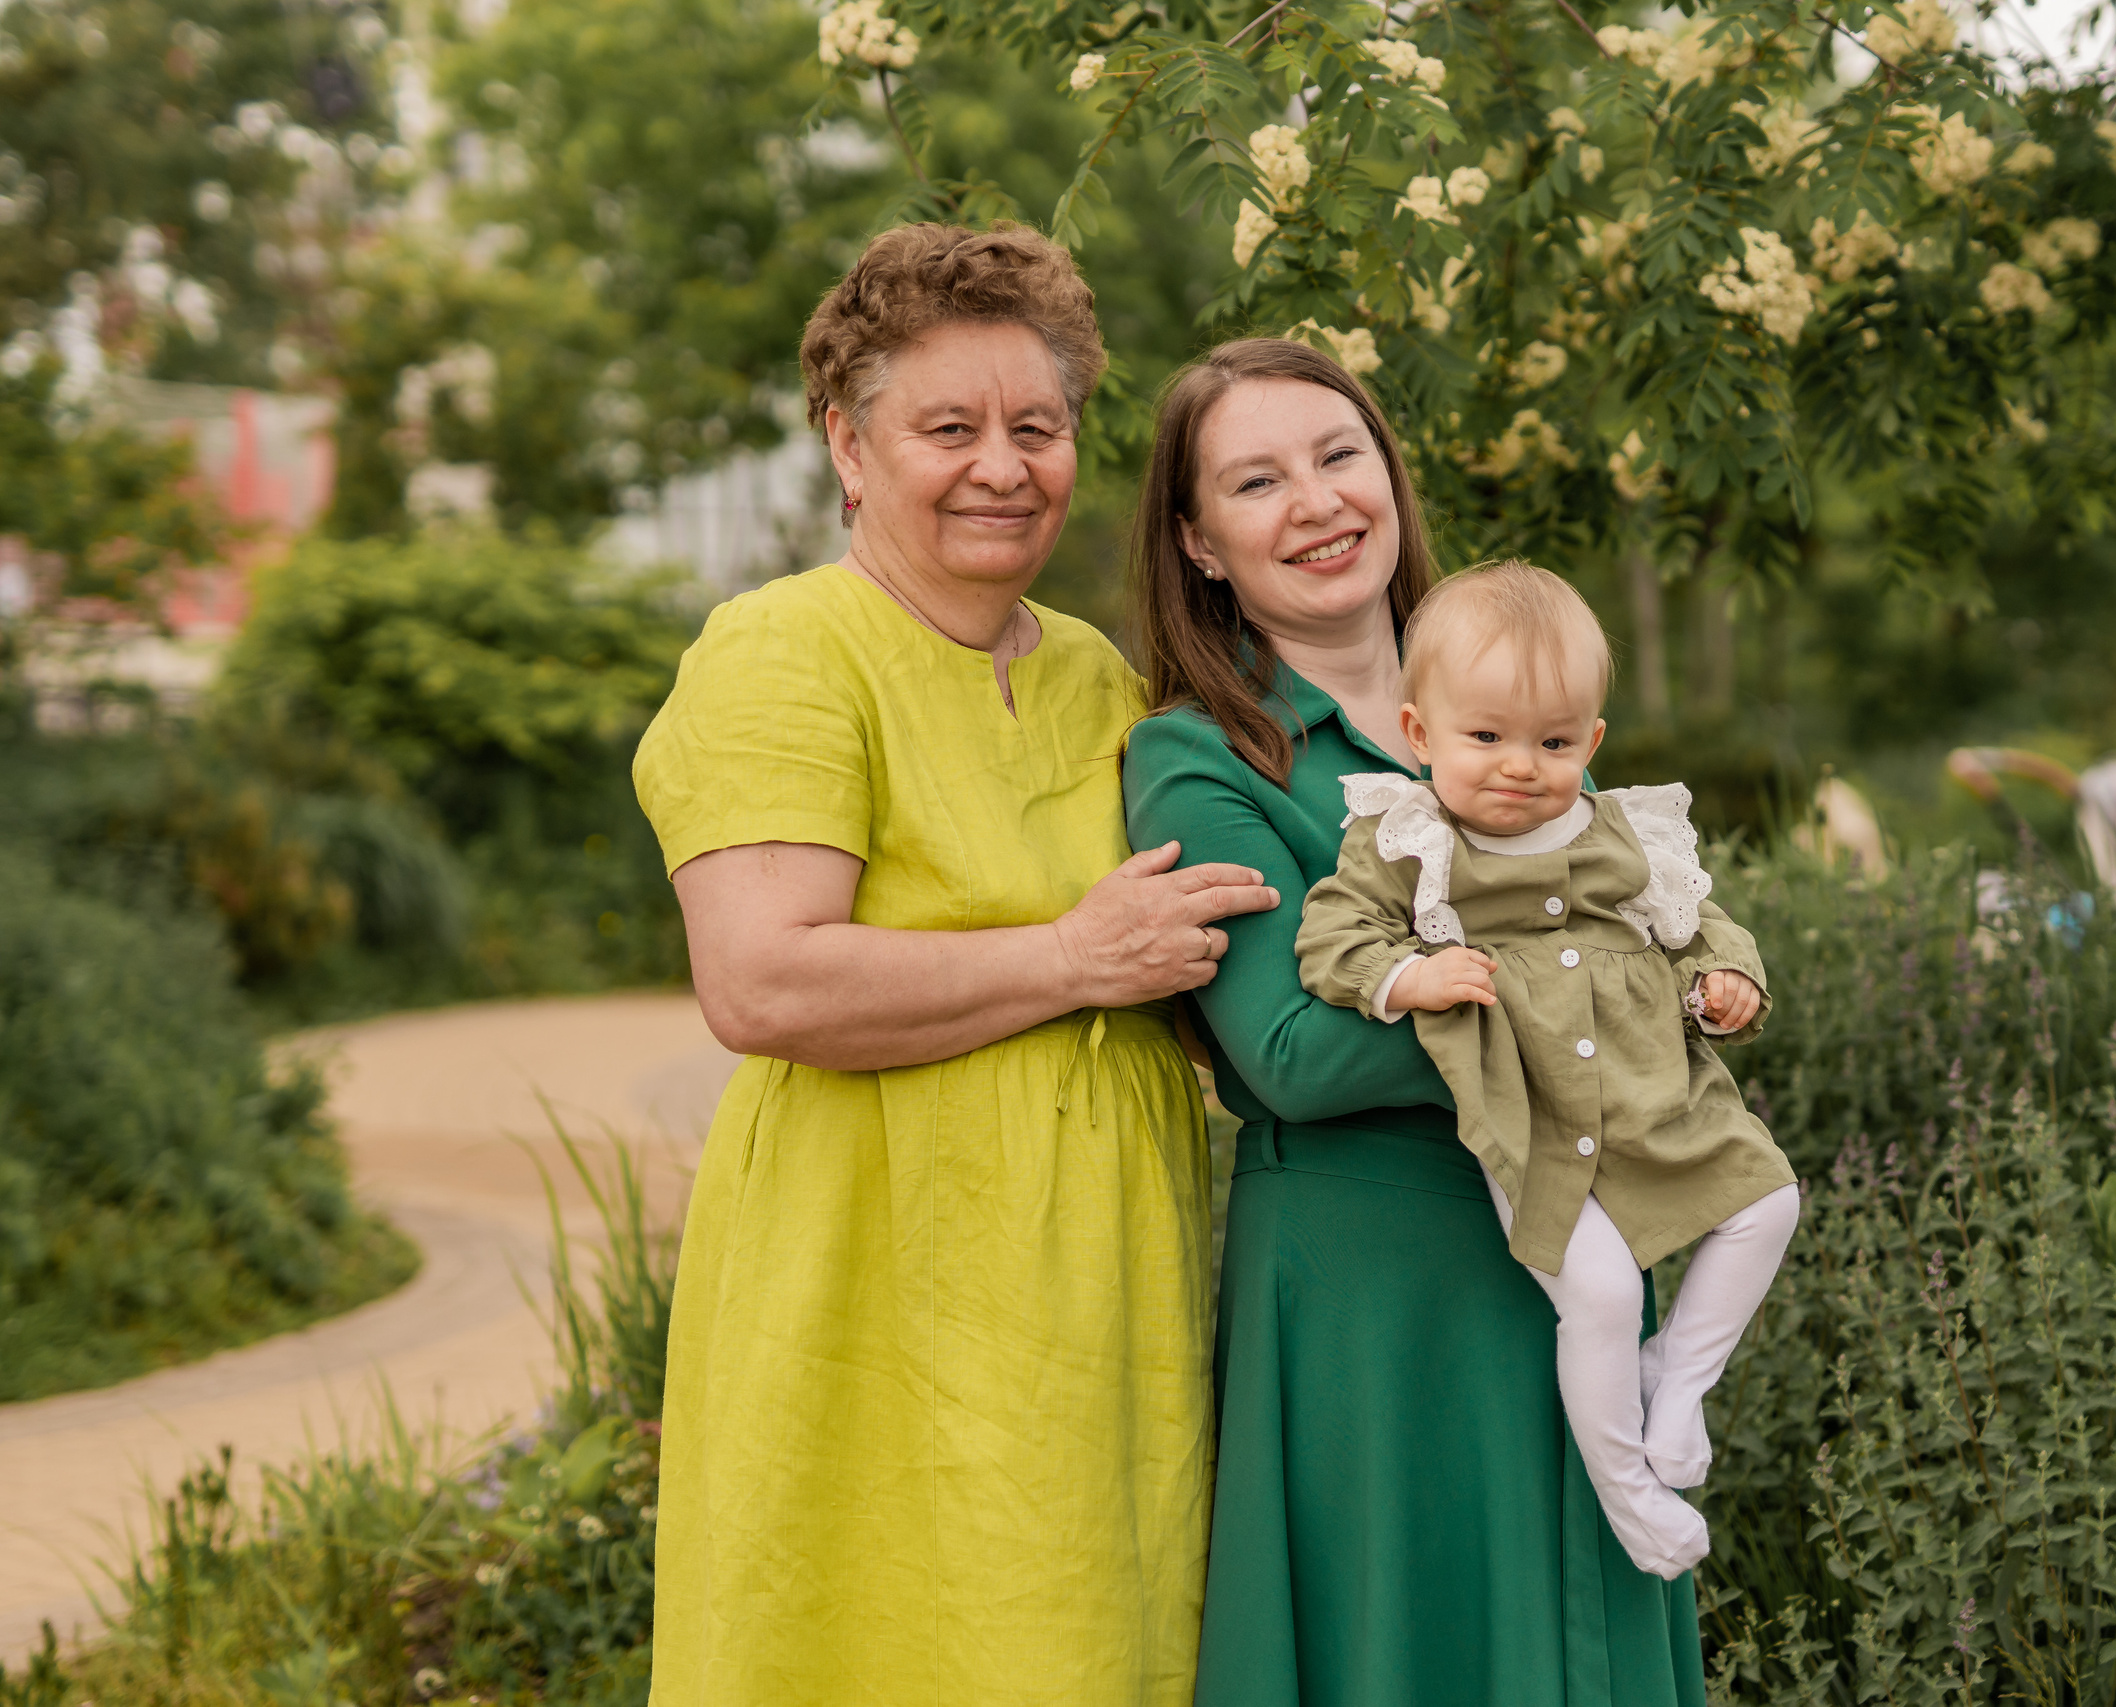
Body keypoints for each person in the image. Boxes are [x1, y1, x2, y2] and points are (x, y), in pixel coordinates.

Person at [632, 222, 1277, 1706]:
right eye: (949, 427)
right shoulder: (783, 654)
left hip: (1103, 1296)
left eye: (1036, 426)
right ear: (849, 449)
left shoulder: (1097, 678)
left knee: (1090, 1641)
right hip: (882, 1284)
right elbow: (764, 983)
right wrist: (1067, 951)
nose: (1004, 464)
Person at [1119, 337, 1710, 1707]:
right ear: (1201, 542)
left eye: (1338, 454)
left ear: (1389, 471)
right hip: (1378, 1289)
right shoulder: (1200, 754)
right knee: (1412, 1649)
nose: (1316, 501)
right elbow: (1294, 1054)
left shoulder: (1516, 691)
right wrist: (1597, 1008)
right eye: (1256, 481)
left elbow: (1665, 932)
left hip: (1578, 1232)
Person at [1295, 560, 1801, 1581]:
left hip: (1656, 1093)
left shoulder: (1623, 833)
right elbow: (1328, 938)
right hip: (1524, 1110)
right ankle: (1628, 1492)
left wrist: (1721, 978)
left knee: (1767, 1204)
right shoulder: (1408, 840)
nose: (1520, 766)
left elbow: (1697, 922)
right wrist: (1408, 975)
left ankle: (1678, 1383)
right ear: (1419, 733)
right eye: (1485, 737)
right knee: (1602, 1294)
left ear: (1592, 742)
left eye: (1554, 741)